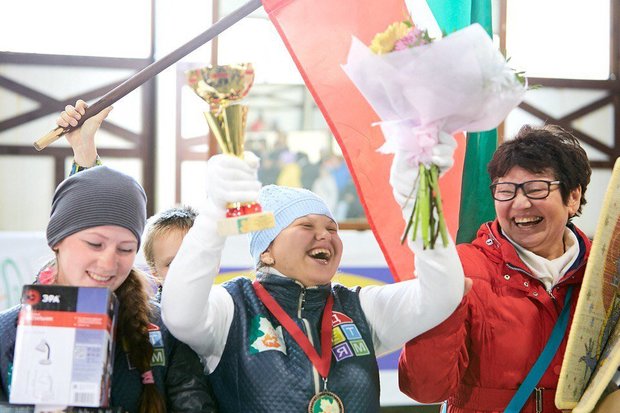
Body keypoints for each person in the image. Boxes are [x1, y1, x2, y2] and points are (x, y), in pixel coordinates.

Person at [160, 143, 470, 412]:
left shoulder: (359, 308)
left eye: (332, 228)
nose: (324, 235)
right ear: (266, 251)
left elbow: (442, 293)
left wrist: (419, 203)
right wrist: (215, 211)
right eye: (306, 226)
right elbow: (180, 315)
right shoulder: (234, 307)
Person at [0, 101, 218, 412]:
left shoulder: (164, 327)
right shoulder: (8, 332)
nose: (108, 262)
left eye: (125, 249)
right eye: (94, 244)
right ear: (56, 241)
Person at [396, 125, 593, 413]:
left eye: (536, 189)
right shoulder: (460, 268)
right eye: (505, 191)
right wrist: (439, 308)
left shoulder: (602, 273)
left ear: (572, 197)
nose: (520, 203)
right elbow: (425, 389)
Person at [143, 205, 198, 300]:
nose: (185, 270)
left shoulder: (223, 301)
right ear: (155, 274)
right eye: (172, 264)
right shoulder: (150, 310)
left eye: (194, 260)